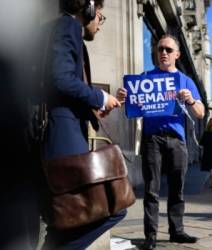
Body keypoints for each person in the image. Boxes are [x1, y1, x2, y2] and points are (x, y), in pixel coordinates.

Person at [41, 0, 126, 249]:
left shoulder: (61, 28)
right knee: (111, 208)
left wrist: (96, 108)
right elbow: (61, 79)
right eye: (100, 15)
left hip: (64, 132)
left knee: (63, 221)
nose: (100, 23)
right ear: (88, 8)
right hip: (62, 138)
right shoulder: (68, 26)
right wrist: (100, 96)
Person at [117, 34, 205, 250]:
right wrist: (122, 97)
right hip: (152, 139)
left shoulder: (186, 81)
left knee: (177, 189)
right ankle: (151, 236)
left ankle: (177, 231)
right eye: (159, 49)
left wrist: (191, 100)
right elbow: (130, 104)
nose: (163, 53)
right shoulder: (145, 77)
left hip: (177, 140)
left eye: (167, 49)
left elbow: (201, 113)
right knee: (151, 190)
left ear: (177, 54)